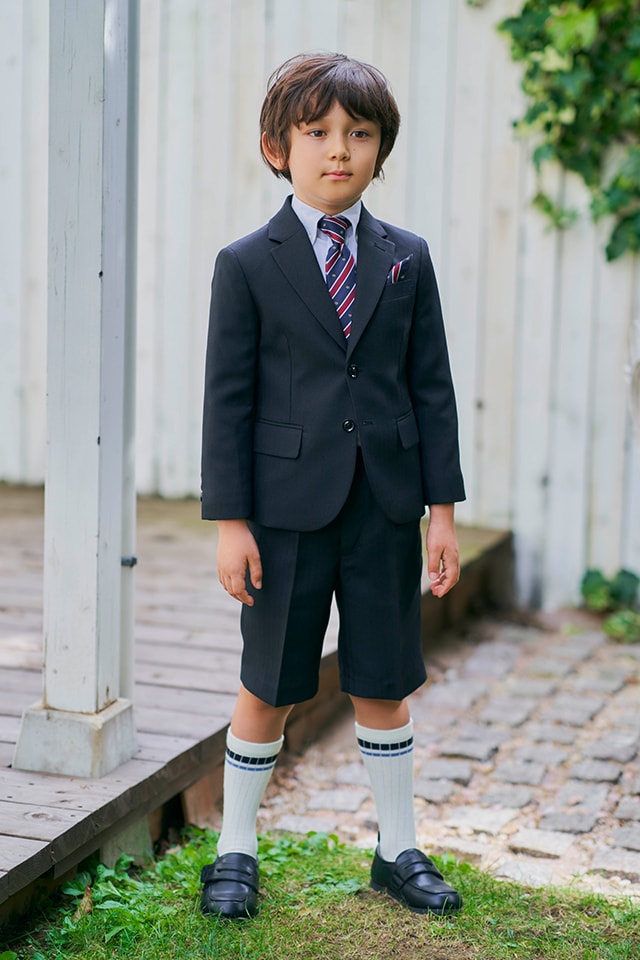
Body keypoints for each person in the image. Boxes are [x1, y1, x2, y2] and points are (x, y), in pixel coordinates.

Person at [199, 52, 465, 920]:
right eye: (317, 133)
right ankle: (235, 849)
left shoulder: (407, 259)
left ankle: (399, 846)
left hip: (386, 504)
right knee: (269, 678)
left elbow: (434, 391)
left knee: (383, 674)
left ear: (381, 148)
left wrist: (442, 513)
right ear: (280, 146)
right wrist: (230, 520)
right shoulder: (247, 263)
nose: (338, 150)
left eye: (359, 133)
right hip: (282, 511)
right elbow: (227, 398)